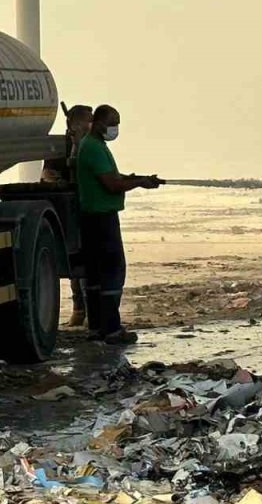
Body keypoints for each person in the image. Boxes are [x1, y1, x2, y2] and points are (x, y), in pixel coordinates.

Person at [75, 104, 163, 345]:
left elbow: (112, 177)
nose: (115, 129)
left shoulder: (94, 146)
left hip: (92, 218)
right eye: (113, 123)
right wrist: (138, 183)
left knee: (95, 276)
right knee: (112, 272)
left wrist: (136, 179)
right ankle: (112, 330)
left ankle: (97, 328)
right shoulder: (93, 148)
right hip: (102, 218)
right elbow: (111, 185)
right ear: (100, 122)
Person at [41, 104, 93, 326]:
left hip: (88, 207)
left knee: (87, 263)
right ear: (72, 123)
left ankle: (89, 310)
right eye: (86, 121)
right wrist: (59, 182)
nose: (90, 125)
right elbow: (47, 173)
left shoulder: (90, 145)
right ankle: (79, 309)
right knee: (76, 263)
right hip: (67, 209)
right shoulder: (59, 146)